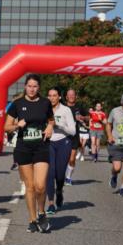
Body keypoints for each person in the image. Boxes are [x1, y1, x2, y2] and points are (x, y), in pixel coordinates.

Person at [5, 75, 54, 232]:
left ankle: (42, 212)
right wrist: (17, 125)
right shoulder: (17, 104)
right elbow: (6, 127)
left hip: (41, 147)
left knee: (40, 185)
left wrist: (49, 127)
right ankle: (32, 220)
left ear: (38, 88)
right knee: (30, 186)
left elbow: (51, 120)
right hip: (23, 148)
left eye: (35, 86)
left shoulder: (45, 103)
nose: (32, 89)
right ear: (25, 87)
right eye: (29, 86)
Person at [45, 87, 76, 215]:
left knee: (59, 175)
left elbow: (73, 131)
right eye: (50, 95)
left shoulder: (66, 110)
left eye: (54, 95)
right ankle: (51, 203)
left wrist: (59, 125)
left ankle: (59, 191)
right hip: (49, 143)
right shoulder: (44, 109)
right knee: (49, 173)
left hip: (63, 143)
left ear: (59, 97)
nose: (52, 98)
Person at [64, 88, 88, 184]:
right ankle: (62, 175)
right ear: (66, 97)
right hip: (63, 136)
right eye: (69, 95)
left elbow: (88, 117)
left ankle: (68, 177)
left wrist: (82, 117)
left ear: (76, 97)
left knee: (72, 158)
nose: (71, 97)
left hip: (74, 136)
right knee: (63, 158)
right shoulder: (62, 107)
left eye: (73, 95)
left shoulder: (79, 107)